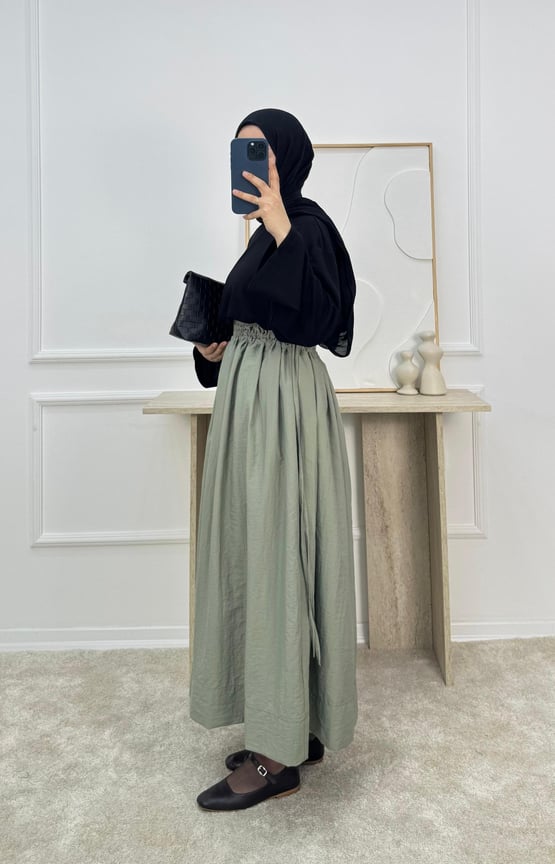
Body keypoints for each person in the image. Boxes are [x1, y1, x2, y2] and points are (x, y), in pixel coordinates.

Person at [189, 108, 358, 811]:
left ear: (288, 157)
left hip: (283, 407)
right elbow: (253, 317)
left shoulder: (307, 227)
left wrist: (285, 224)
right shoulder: (260, 237)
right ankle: (290, 727)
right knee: (257, 557)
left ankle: (275, 759)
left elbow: (324, 321)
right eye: (241, 150)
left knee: (281, 561)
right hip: (251, 402)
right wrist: (214, 347)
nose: (251, 162)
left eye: (261, 150)